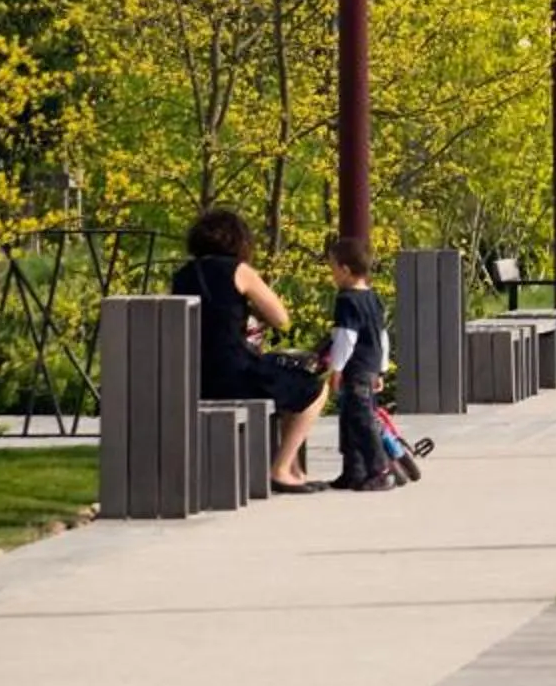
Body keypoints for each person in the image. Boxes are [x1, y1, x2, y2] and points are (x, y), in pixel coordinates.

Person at [170, 208, 327, 493]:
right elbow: (281, 319)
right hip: (235, 375)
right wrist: (251, 307)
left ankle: (295, 471)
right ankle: (281, 469)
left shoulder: (182, 275)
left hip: (194, 379)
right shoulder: (239, 271)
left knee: (287, 385)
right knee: (314, 388)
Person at [318, 233, 399, 492]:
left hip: (355, 369)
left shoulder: (347, 300)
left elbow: (346, 338)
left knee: (362, 421)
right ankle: (354, 470)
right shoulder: (373, 298)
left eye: (333, 268)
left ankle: (380, 469)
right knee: (350, 419)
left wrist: (336, 369)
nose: (332, 274)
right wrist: (382, 369)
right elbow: (382, 336)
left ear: (345, 269)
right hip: (370, 367)